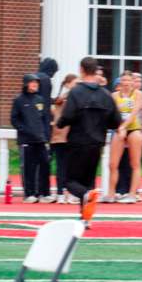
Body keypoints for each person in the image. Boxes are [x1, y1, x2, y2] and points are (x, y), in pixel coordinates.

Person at [56, 56, 122, 228]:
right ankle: (86, 218)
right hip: (97, 144)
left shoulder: (76, 92)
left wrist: (60, 122)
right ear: (95, 71)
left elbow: (68, 116)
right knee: (89, 182)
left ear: (82, 70)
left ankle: (85, 199)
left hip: (78, 142)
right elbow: (116, 121)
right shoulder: (106, 95)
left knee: (70, 181)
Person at [11, 74, 54, 204]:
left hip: (40, 139)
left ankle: (44, 193)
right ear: (26, 84)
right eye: (33, 82)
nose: (35, 84)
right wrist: (24, 130)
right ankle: (29, 194)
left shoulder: (40, 99)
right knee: (28, 167)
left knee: (45, 165)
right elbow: (14, 119)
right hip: (26, 140)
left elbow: (44, 118)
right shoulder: (19, 100)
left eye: (37, 82)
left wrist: (45, 135)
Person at [104, 71, 142, 204]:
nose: (126, 83)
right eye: (123, 80)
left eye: (128, 80)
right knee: (112, 164)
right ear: (120, 82)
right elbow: (113, 114)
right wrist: (119, 127)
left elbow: (134, 113)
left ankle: (132, 194)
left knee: (135, 163)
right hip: (119, 129)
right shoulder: (115, 95)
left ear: (132, 82)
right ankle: (111, 194)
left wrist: (124, 127)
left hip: (133, 129)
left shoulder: (138, 94)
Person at [116, 72, 142, 201]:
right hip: (123, 131)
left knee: (135, 162)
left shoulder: (140, 96)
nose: (137, 82)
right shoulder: (119, 95)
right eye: (135, 80)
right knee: (122, 162)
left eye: (139, 81)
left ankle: (134, 191)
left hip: (136, 131)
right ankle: (121, 190)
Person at [50, 74, 78, 204]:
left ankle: (68, 193)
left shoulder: (73, 97)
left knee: (70, 167)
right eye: (74, 83)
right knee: (62, 166)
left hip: (70, 136)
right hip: (61, 136)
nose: (77, 86)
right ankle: (61, 192)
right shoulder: (64, 98)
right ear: (67, 84)